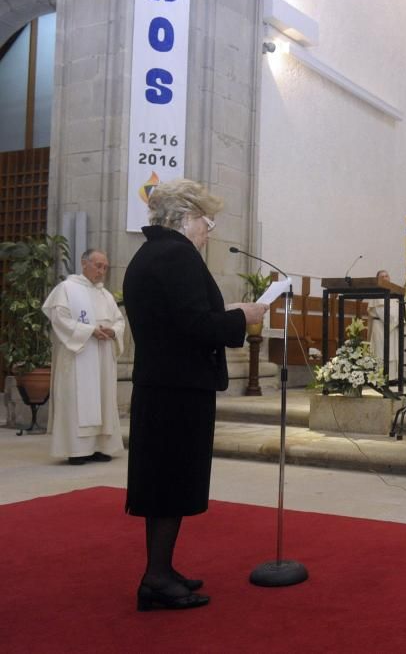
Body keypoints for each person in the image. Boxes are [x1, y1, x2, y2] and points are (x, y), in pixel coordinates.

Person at [123, 178, 267, 611]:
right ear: (185, 218)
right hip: (178, 389)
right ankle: (156, 578)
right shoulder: (178, 256)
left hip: (162, 384)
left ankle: (161, 570)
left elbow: (180, 319)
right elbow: (198, 326)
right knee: (171, 482)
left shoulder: (150, 254)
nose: (210, 230)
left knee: (162, 482)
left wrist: (226, 316)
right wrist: (243, 316)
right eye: (207, 221)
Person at [41, 249, 125, 465]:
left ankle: (100, 446)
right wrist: (89, 331)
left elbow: (119, 321)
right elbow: (59, 318)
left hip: (103, 355)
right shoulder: (67, 289)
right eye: (98, 266)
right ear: (84, 263)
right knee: (78, 400)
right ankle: (77, 450)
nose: (102, 271)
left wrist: (113, 331)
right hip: (80, 355)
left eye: (105, 267)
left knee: (103, 399)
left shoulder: (105, 295)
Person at [368, 269, 400, 383]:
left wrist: (397, 320)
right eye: (382, 277)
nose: (385, 278)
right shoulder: (376, 293)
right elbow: (382, 312)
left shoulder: (394, 293)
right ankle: (381, 377)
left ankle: (392, 377)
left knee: (392, 351)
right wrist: (395, 321)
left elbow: (398, 310)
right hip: (381, 325)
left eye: (387, 276)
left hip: (393, 326)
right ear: (378, 279)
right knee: (381, 352)